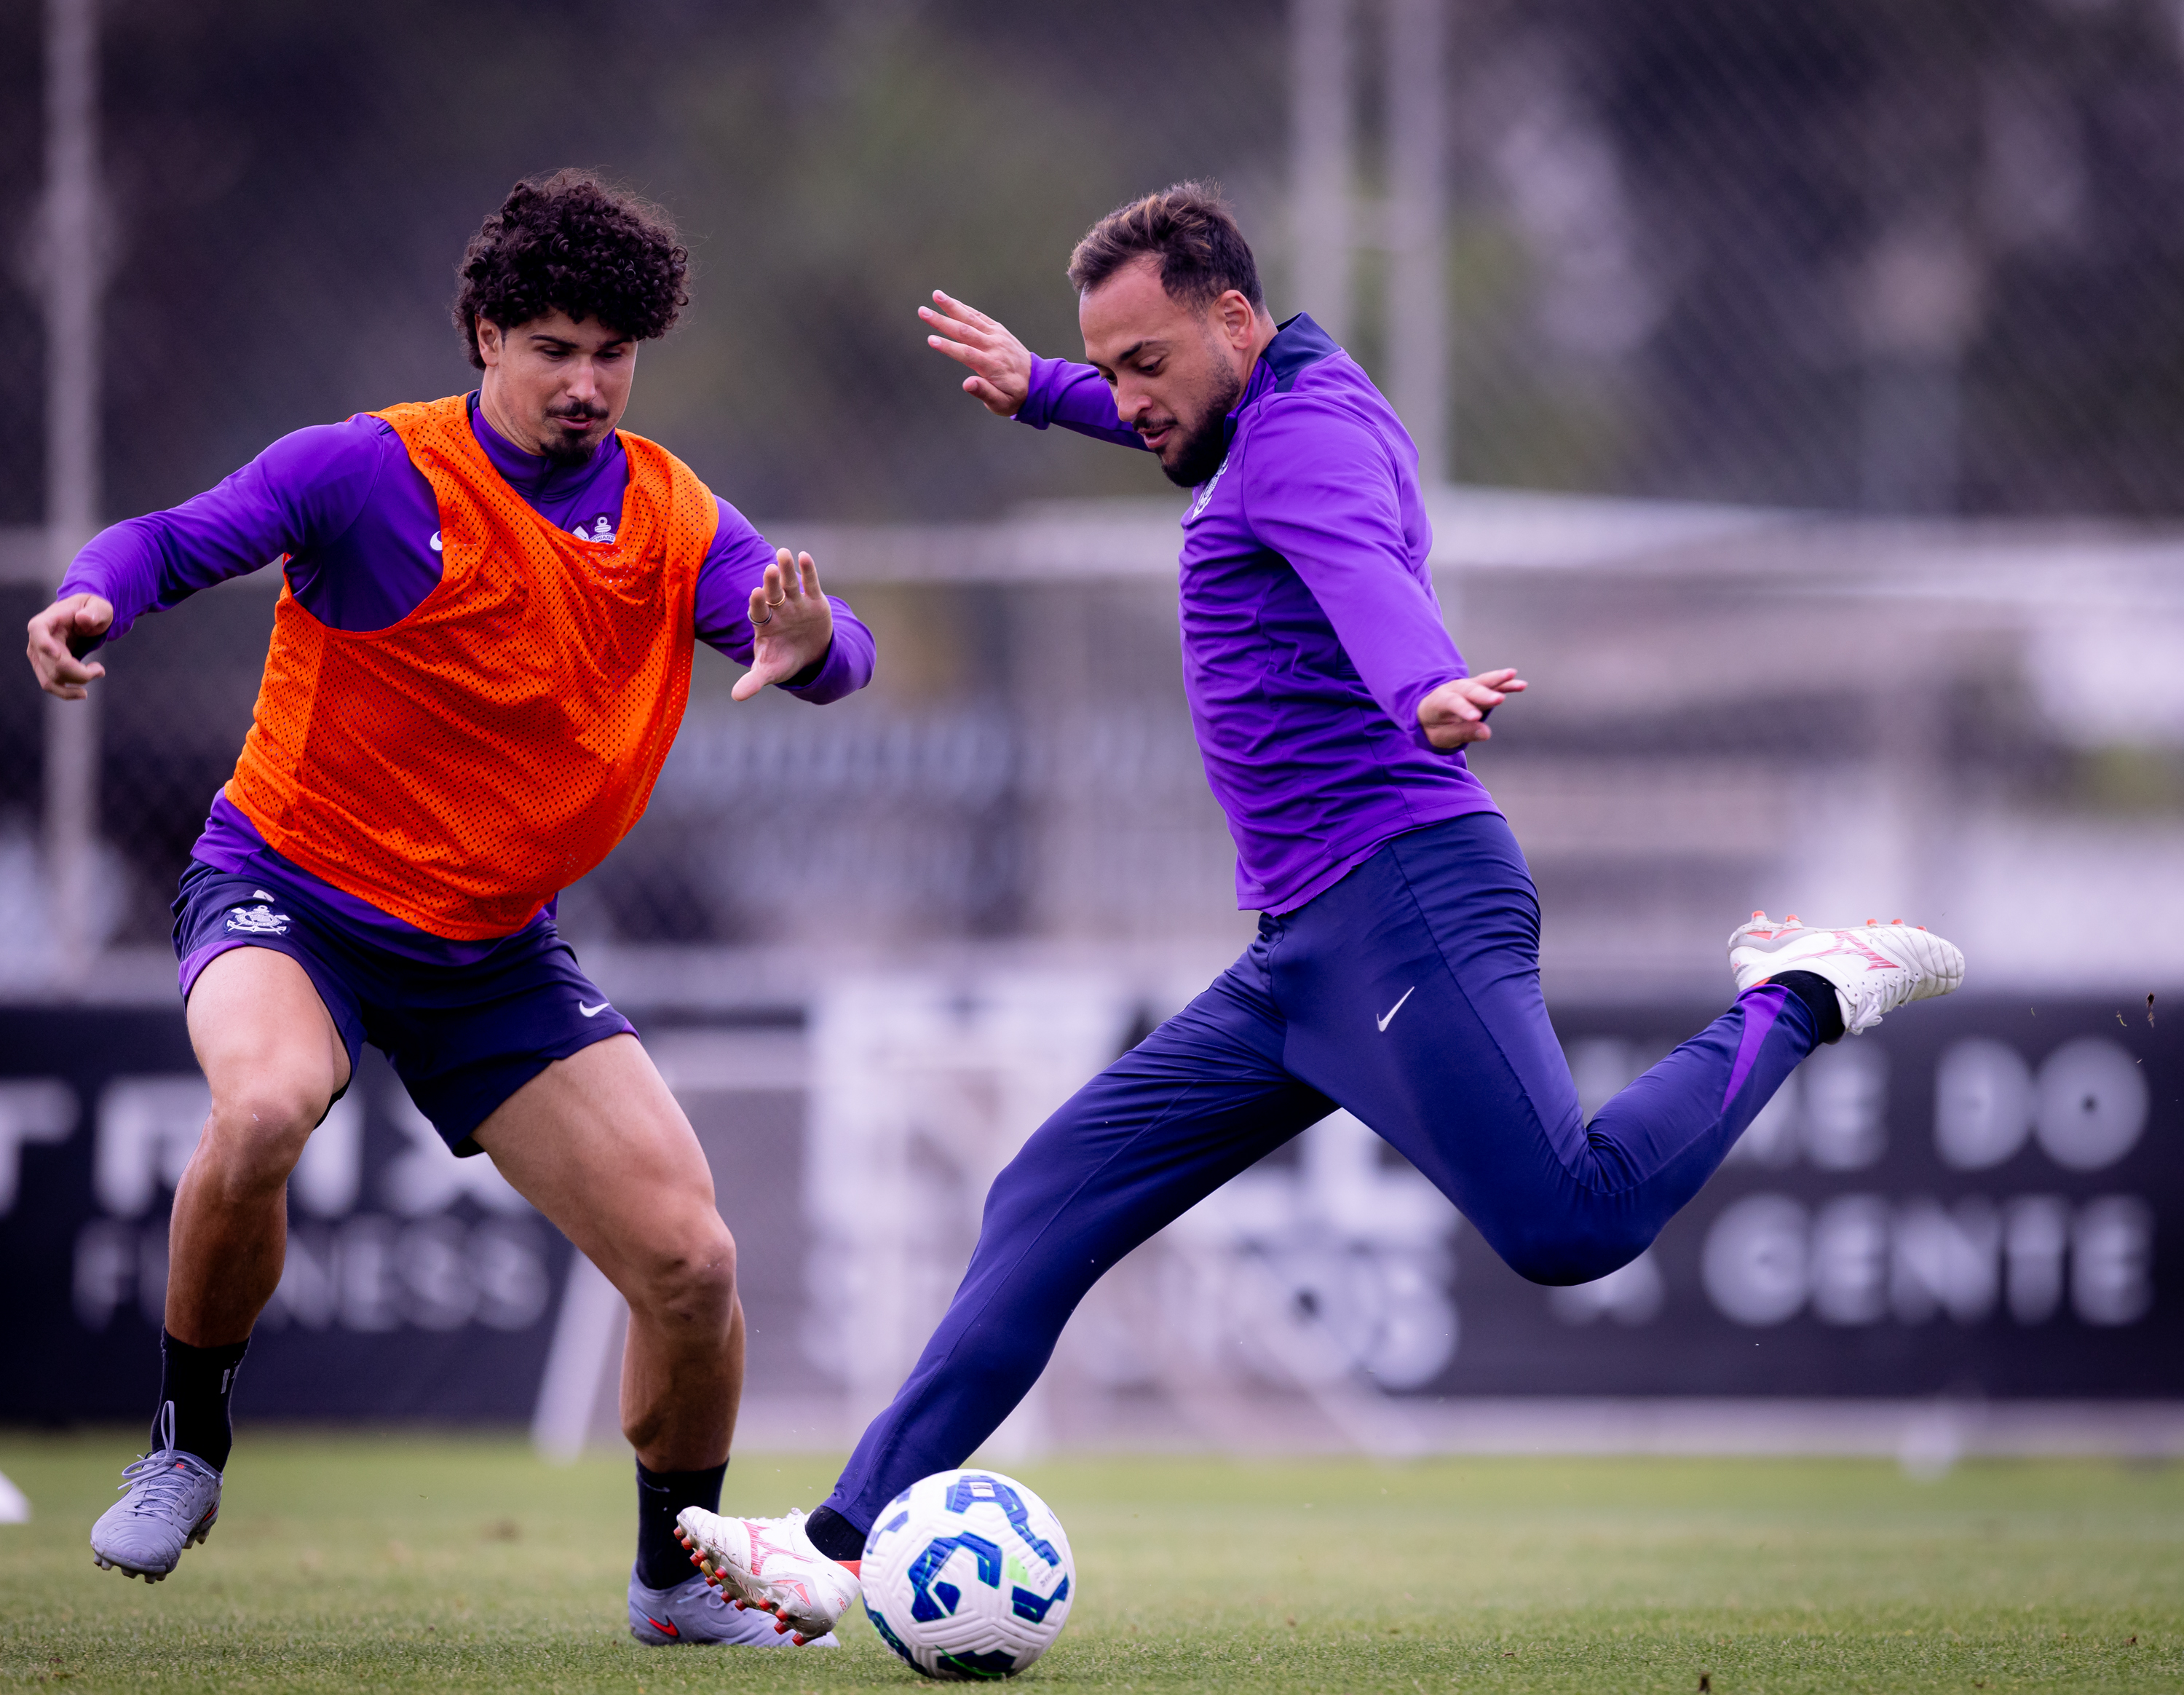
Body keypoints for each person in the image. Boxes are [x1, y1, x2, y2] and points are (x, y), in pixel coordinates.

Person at [678, 181, 1967, 1642]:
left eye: (1140, 363)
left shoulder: (1306, 447)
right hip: (1307, 950)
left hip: (1404, 903)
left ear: (1233, 319)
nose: (1129, 399)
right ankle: (835, 1549)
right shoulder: (1287, 385)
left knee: (1571, 1223)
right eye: (1111, 370)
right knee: (1048, 1193)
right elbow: (1201, 422)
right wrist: (1048, 390)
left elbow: (1355, 561)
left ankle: (1799, 991)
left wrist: (1423, 682)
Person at [24, 170, 876, 1649]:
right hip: (287, 889)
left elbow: (827, 642)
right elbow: (162, 542)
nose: (588, 382)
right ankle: (185, 1447)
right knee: (269, 1102)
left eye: (614, 352)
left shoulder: (669, 512)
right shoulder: (368, 472)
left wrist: (815, 648)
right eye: (554, 347)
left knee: (693, 1264)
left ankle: (672, 1584)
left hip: (491, 952)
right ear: (484, 335)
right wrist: (88, 601)